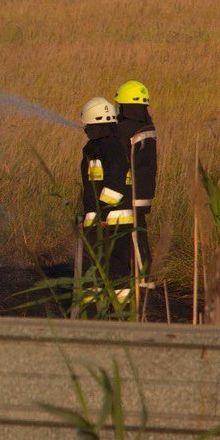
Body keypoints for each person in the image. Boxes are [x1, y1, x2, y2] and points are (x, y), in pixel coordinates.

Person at [78, 96, 133, 295]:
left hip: (110, 220)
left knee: (111, 271)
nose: (85, 129)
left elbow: (115, 183)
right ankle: (99, 313)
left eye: (87, 124)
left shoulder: (111, 147)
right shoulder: (100, 147)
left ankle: (110, 318)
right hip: (102, 219)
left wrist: (102, 213)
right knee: (98, 270)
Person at [113, 80, 157, 289]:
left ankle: (141, 278)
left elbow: (118, 158)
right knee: (139, 231)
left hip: (131, 191)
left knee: (133, 232)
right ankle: (141, 273)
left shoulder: (125, 129)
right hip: (144, 189)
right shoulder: (147, 126)